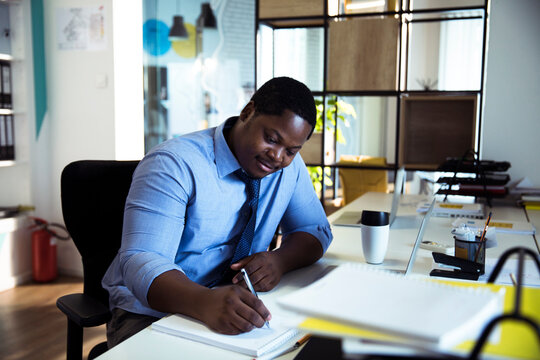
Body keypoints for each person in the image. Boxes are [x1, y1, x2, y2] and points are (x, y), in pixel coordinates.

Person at [102, 77, 333, 347]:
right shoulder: (174, 164)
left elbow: (316, 230)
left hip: (229, 303)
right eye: (271, 139)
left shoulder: (287, 168)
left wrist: (280, 261)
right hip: (150, 312)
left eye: (292, 150)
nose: (278, 157)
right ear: (247, 112)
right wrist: (204, 301)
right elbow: (142, 260)